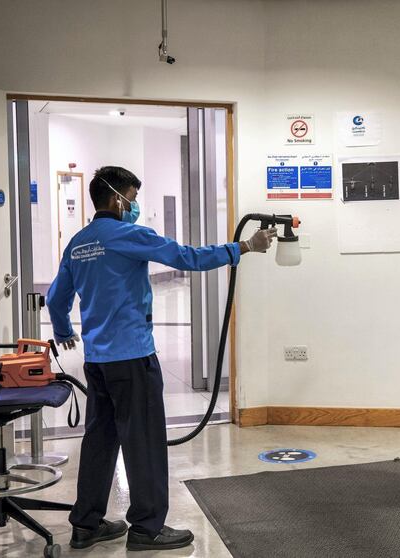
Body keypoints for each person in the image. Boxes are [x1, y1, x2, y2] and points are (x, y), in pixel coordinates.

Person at [47, 166, 276, 551]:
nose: (135, 207)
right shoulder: (128, 234)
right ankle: (146, 528)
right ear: (117, 198)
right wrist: (244, 247)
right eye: (133, 199)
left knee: (100, 440)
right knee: (144, 442)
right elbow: (187, 257)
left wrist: (63, 331)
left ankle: (86, 524)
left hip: (98, 360)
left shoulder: (78, 243)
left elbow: (56, 298)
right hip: (133, 357)